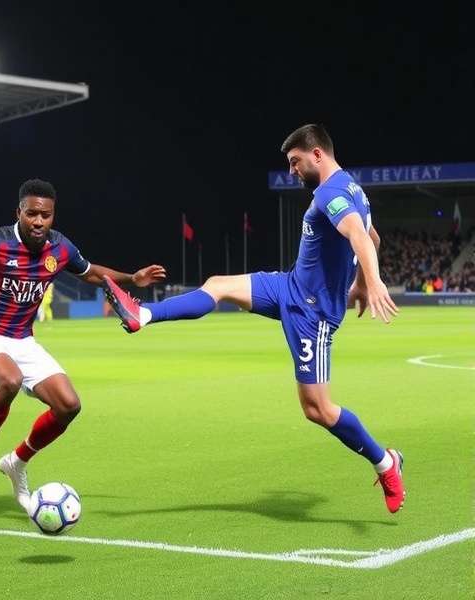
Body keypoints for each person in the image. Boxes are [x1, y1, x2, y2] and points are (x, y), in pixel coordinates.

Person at [103, 124, 405, 514]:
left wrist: (374, 281)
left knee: (317, 409)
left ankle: (386, 462)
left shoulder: (331, 193)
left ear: (317, 154)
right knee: (218, 284)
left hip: (312, 315)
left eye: (295, 162)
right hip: (290, 287)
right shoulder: (352, 189)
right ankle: (142, 314)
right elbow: (372, 235)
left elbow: (362, 240)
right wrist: (362, 283)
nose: (292, 170)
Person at [0, 179, 165, 511]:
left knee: (69, 405)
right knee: (8, 381)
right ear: (19, 212)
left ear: (53, 216)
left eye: (46, 215)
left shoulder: (60, 247)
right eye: (32, 214)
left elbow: (91, 273)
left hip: (23, 340)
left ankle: (17, 462)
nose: (39, 221)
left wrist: (131, 278)